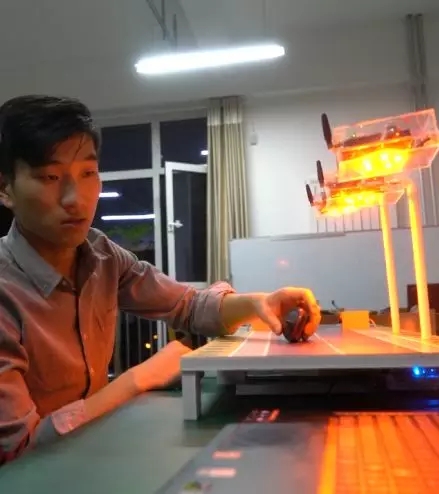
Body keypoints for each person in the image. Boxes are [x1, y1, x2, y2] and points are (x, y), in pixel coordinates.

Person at [0, 95, 321, 465]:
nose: (76, 198)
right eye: (50, 177)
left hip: (95, 458)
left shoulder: (101, 256)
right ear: (5, 188)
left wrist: (256, 303)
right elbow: (19, 449)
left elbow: (186, 305)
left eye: (88, 173)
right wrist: (138, 379)